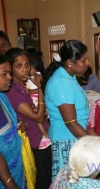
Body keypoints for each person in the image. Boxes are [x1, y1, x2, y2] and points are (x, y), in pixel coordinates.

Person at [41, 40, 90, 179]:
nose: (87, 63)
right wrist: (93, 144)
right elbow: (71, 123)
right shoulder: (61, 83)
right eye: (84, 60)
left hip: (76, 137)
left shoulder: (70, 77)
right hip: (67, 140)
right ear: (70, 62)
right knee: (69, 181)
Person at [5, 48, 52, 189]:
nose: (25, 69)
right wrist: (40, 88)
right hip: (35, 143)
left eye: (27, 64)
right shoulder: (12, 91)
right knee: (42, 183)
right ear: (11, 68)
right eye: (19, 66)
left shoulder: (23, 86)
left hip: (42, 139)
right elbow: (37, 117)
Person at [0, 54, 27, 189]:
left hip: (16, 170)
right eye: (4, 74)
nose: (10, 77)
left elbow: (7, 121)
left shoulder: (2, 97)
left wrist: (17, 123)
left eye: (9, 73)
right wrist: (10, 183)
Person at [26, 52, 51, 149]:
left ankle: (45, 134)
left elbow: (42, 87)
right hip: (36, 98)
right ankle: (45, 133)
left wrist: (31, 90)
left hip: (37, 98)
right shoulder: (29, 77)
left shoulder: (36, 76)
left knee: (38, 118)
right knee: (40, 118)